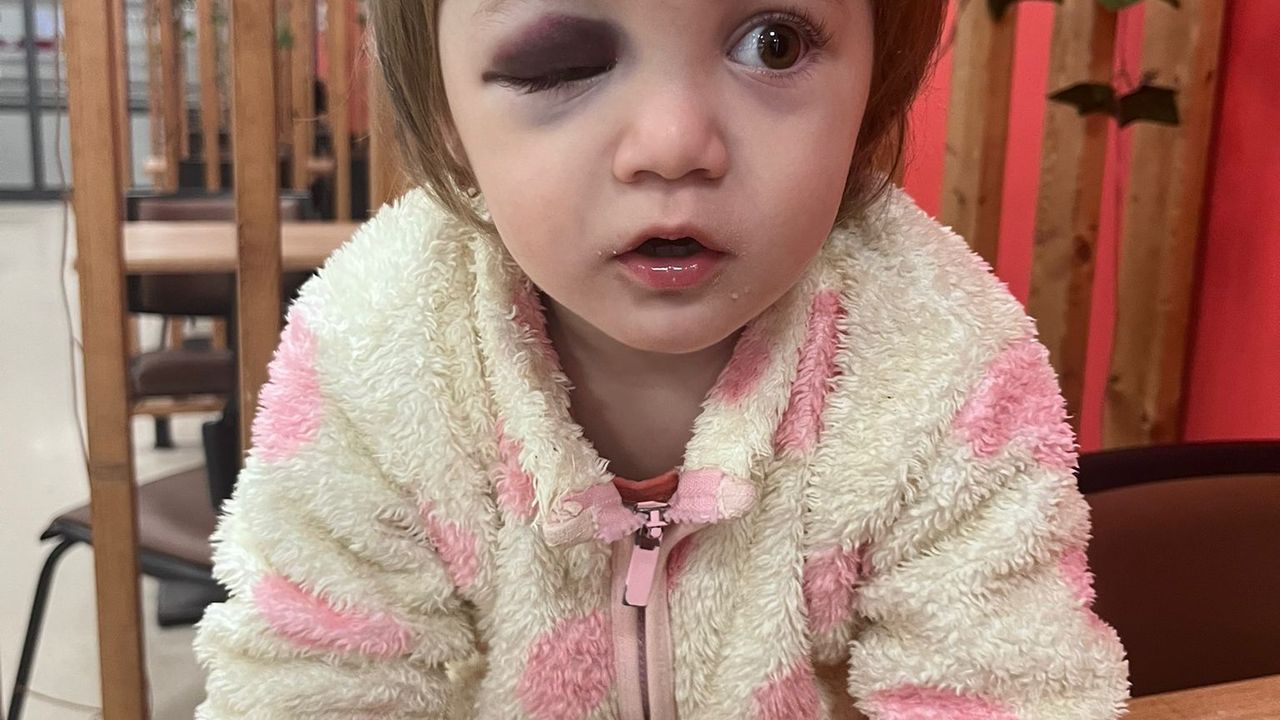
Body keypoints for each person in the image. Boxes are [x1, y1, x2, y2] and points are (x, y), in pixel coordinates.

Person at [194, 1, 1130, 717]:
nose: (675, 143)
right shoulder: (373, 353)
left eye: (774, 44)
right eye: (561, 63)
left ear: (874, 88)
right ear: (443, 114)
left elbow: (1010, 689)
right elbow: (304, 688)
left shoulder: (944, 358)